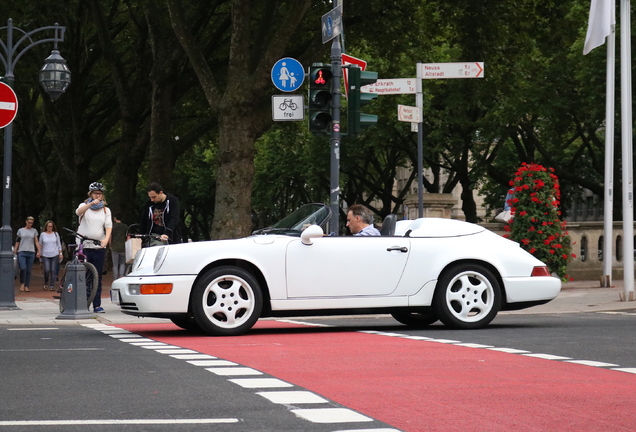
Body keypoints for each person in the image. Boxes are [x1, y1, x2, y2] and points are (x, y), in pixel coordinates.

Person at [76, 182, 112, 313]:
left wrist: (106, 239)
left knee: (97, 276)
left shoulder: (105, 210)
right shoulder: (84, 206)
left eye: (100, 193)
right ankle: (83, 303)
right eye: (96, 193)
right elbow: (78, 212)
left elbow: (108, 225)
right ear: (90, 194)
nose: (98, 195)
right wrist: (91, 204)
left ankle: (97, 304)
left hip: (98, 246)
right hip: (84, 245)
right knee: (84, 275)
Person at [14, 216, 42, 292]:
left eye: (31, 223)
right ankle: (22, 283)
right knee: (23, 268)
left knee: (29, 270)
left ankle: (27, 285)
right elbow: (17, 241)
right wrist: (15, 251)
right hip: (22, 251)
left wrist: (39, 251)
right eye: (29, 222)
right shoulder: (20, 231)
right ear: (26, 222)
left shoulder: (34, 231)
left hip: (31, 252)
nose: (30, 224)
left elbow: (36, 241)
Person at [39, 220, 63, 291]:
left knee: (53, 270)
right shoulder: (43, 234)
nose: (50, 228)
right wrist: (39, 252)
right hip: (45, 254)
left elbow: (59, 244)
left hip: (54, 254)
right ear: (46, 227)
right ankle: (46, 282)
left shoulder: (56, 234)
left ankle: (52, 285)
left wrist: (60, 253)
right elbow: (40, 244)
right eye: (48, 226)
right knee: (47, 269)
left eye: (51, 226)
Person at [110, 215, 128, 280]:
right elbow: (128, 237)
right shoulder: (125, 226)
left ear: (115, 218)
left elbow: (110, 237)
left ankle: (115, 279)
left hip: (114, 247)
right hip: (123, 247)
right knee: (122, 263)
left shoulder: (112, 226)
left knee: (115, 265)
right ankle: (121, 277)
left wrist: (110, 245)